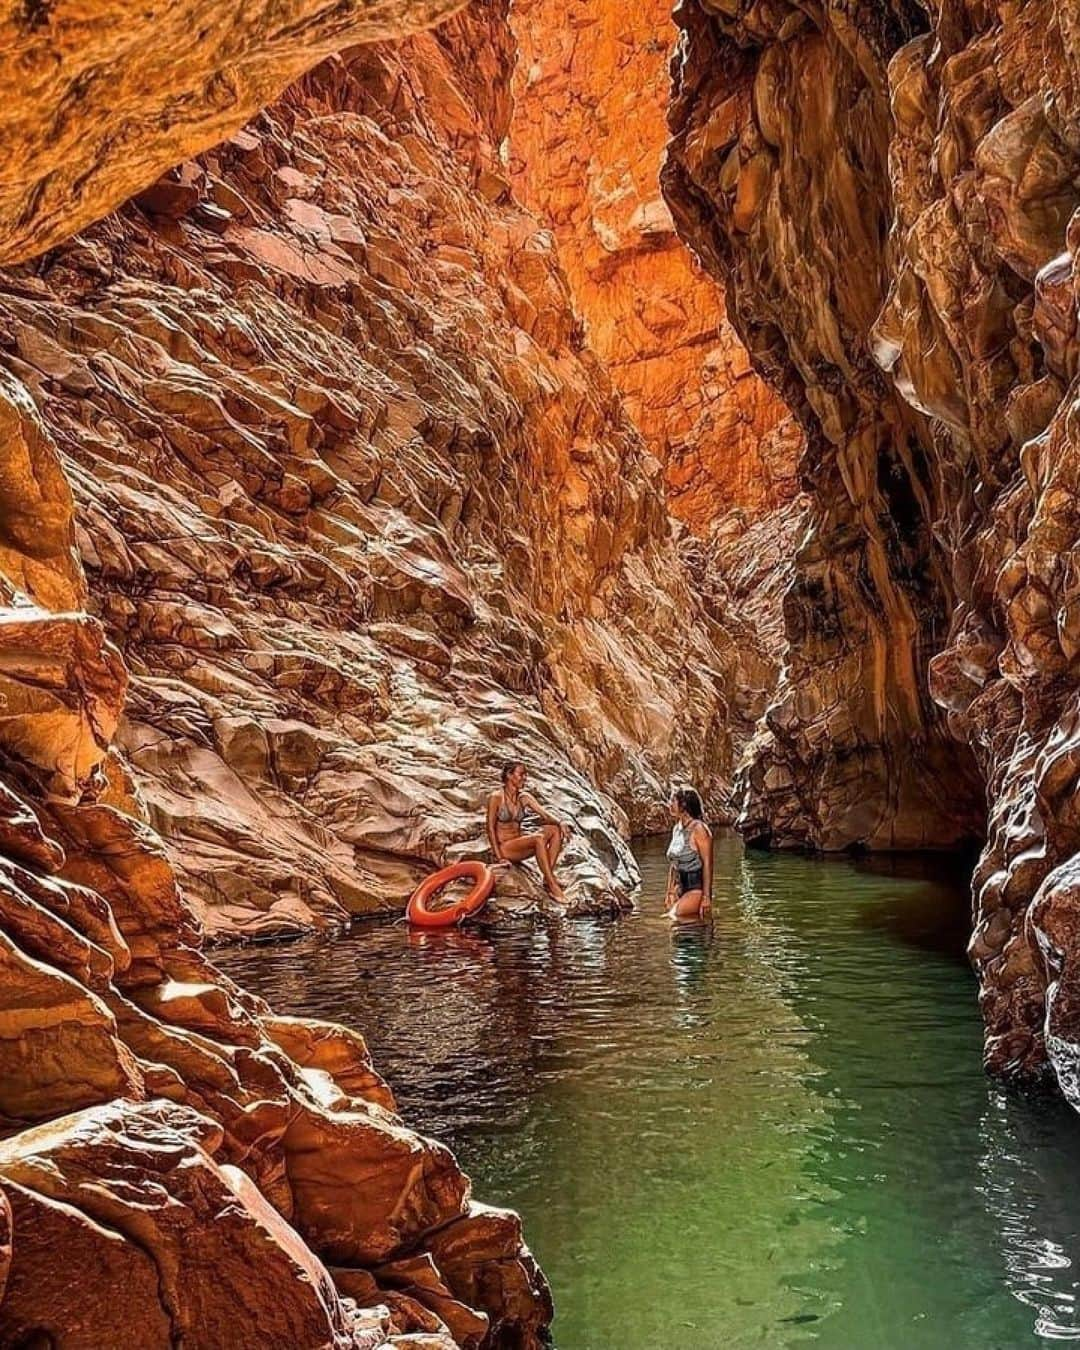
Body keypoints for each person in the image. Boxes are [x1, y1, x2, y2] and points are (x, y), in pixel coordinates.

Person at [486, 761, 570, 903]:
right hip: (505, 848)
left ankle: (546, 878)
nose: (524, 778)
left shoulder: (524, 797)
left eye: (525, 775)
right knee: (538, 838)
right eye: (521, 774)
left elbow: (545, 815)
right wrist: (499, 857)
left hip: (519, 846)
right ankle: (553, 886)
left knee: (554, 829)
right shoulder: (497, 797)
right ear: (509, 775)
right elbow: (490, 828)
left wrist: (560, 822)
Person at [664, 787, 713, 921]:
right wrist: (669, 891)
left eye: (673, 800)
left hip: (695, 888)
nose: (669, 804)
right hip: (679, 887)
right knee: (678, 935)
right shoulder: (676, 829)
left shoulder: (699, 829)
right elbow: (673, 864)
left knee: (673, 918)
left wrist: (706, 897)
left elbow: (708, 864)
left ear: (683, 805)